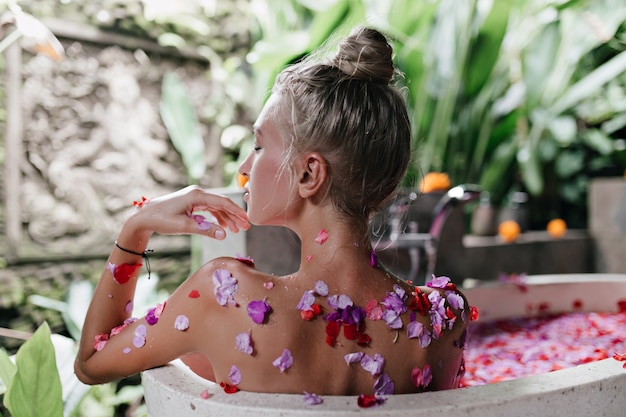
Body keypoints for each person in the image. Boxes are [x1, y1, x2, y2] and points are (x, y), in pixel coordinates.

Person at [75, 26, 470, 399]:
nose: (244, 167)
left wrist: (136, 228)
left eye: (260, 146)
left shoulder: (223, 296)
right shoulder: (445, 321)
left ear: (309, 173)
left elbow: (91, 364)